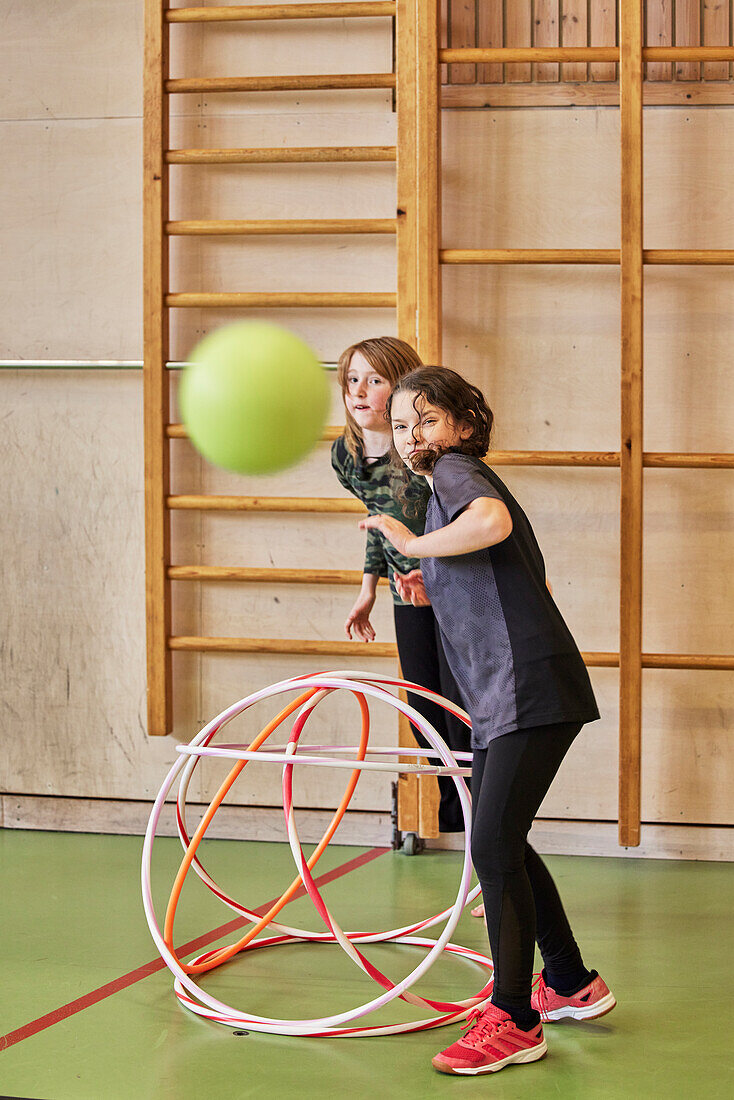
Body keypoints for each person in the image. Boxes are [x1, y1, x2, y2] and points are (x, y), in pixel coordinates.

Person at [360, 365, 615, 1077]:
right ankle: (568, 982)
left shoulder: (458, 473)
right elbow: (492, 563)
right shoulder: (449, 490)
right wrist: (428, 579)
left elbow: (493, 523)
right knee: (503, 839)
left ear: (465, 426)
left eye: (429, 420)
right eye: (405, 425)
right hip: (515, 689)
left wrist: (409, 547)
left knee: (494, 844)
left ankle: (514, 1018)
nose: (416, 436)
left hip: (526, 685)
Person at [331, 338, 471, 832]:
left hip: (451, 594)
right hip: (405, 594)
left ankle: (493, 844)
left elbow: (452, 526)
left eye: (375, 380)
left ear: (403, 391)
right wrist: (369, 586)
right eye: (352, 380)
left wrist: (430, 571)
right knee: (424, 715)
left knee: (464, 716)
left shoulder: (418, 457)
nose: (360, 392)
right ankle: (470, 830)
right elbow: (379, 521)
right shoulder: (346, 457)